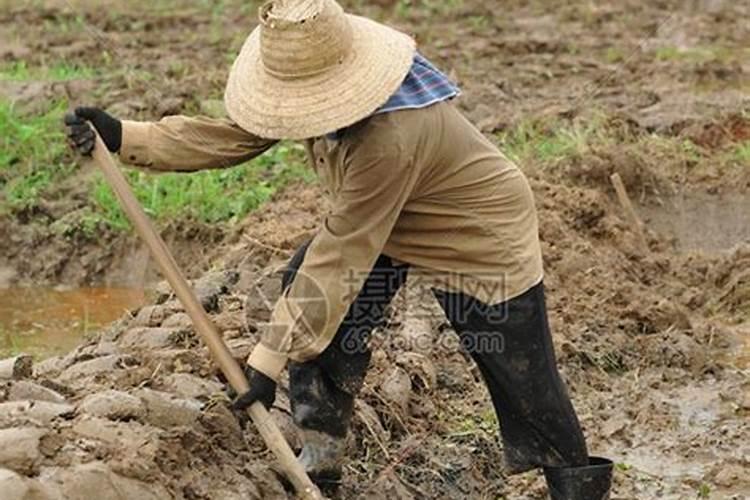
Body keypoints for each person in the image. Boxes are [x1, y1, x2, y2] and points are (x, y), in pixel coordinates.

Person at [64, 0, 613, 497]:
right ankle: (322, 452)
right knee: (321, 307)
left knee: (519, 371)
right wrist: (126, 136)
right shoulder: (314, 90)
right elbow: (238, 135)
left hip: (475, 232)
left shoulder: (390, 137)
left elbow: (342, 253)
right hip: (386, 220)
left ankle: (576, 485)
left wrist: (266, 360)